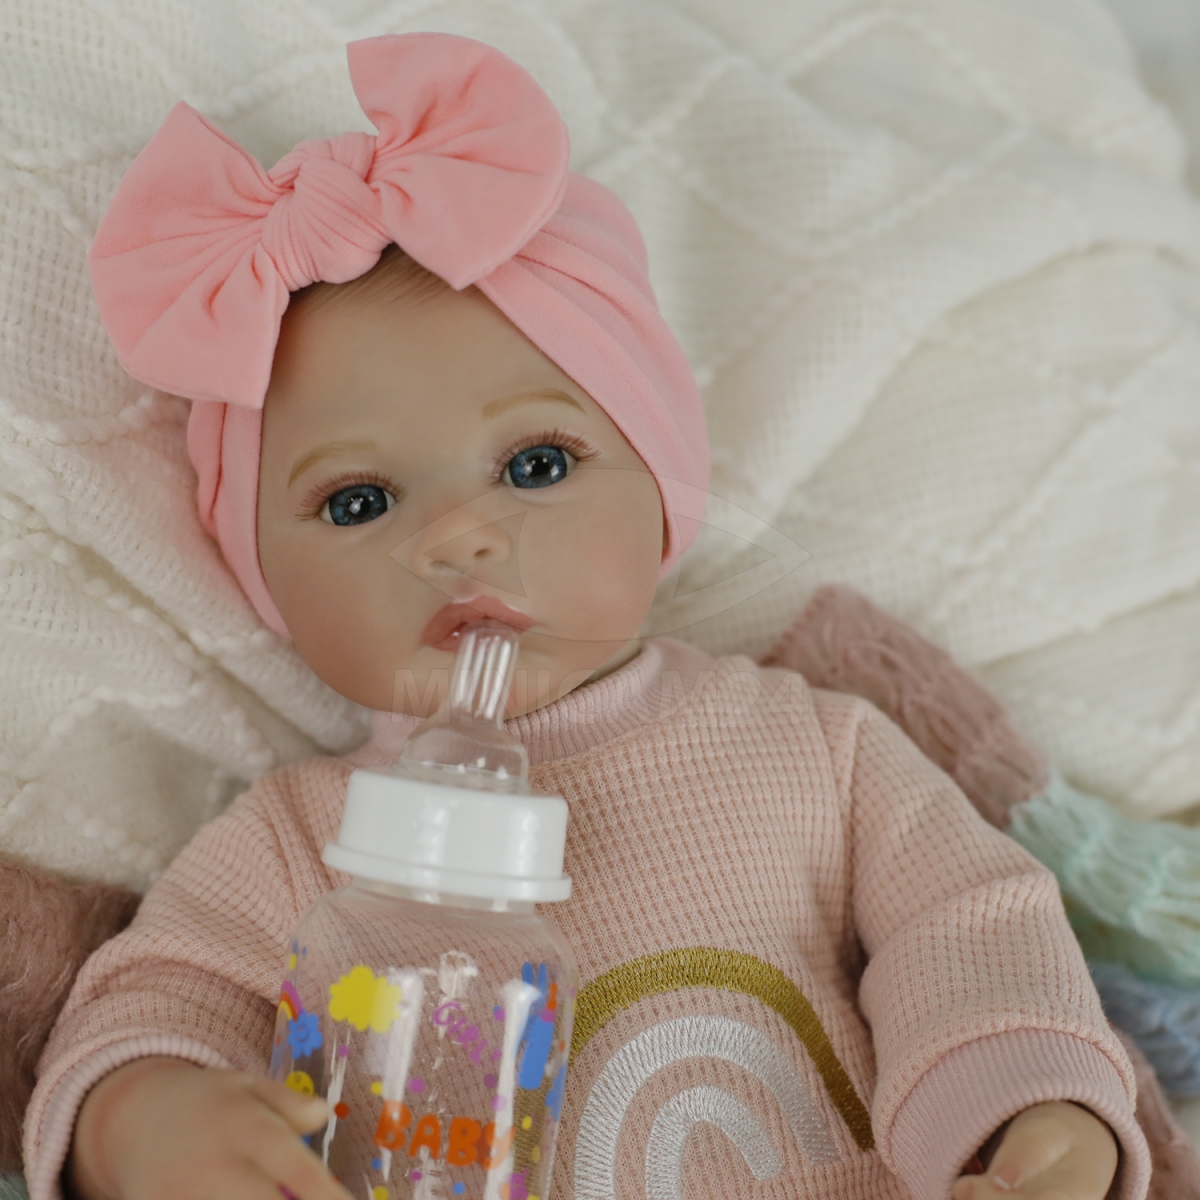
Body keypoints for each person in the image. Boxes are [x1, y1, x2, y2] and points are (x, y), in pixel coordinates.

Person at [23, 31, 1148, 1200]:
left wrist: (1032, 1117)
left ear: (661, 491)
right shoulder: (294, 846)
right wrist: (144, 1124)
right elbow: (157, 1004)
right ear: (265, 581)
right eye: (358, 501)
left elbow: (970, 930)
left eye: (537, 465)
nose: (458, 537)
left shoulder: (814, 750)